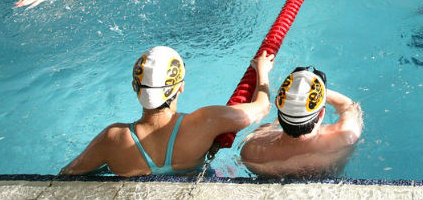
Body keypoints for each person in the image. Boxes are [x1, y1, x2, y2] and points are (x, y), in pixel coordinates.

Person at [59, 46, 275, 176]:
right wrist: (262, 71)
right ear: (180, 86)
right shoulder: (206, 121)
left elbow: (67, 175)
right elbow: (261, 108)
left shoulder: (113, 138)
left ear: (135, 88)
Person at [240, 67, 363, 178]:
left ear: (278, 104)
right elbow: (349, 106)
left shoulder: (252, 151)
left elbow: (260, 131)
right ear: (321, 114)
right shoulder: (345, 138)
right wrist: (318, 92)